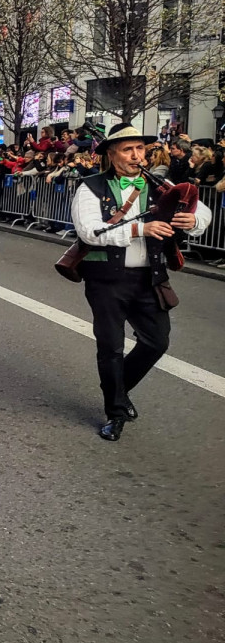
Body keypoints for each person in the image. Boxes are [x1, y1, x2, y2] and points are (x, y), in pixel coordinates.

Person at [69, 124, 211, 441]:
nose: (136, 155)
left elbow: (201, 210)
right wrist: (139, 230)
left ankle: (118, 389)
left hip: (150, 276)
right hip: (106, 278)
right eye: (127, 149)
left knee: (157, 342)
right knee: (111, 346)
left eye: (140, 149)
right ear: (110, 153)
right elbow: (89, 232)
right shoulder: (90, 187)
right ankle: (115, 412)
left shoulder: (161, 183)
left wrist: (194, 221)